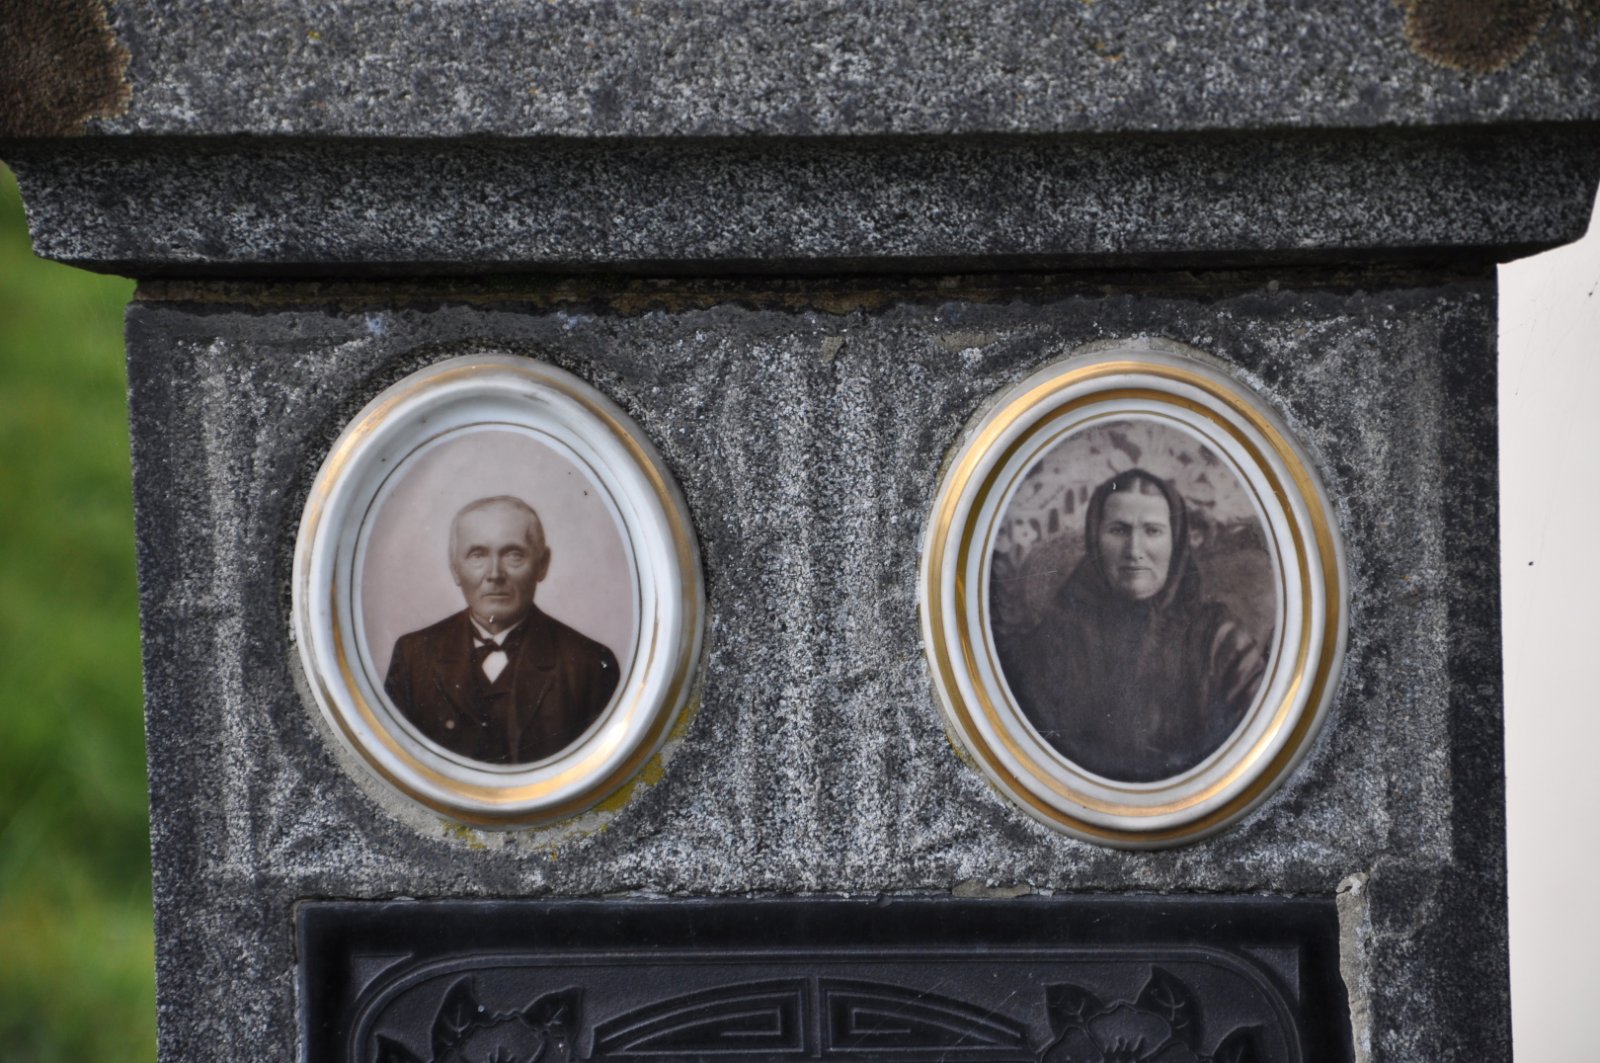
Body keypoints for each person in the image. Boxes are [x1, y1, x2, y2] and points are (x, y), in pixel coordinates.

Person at [996, 468, 1266, 782]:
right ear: (1095, 539)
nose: (1134, 550)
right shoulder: (1054, 640)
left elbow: (1254, 746)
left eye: (1152, 531)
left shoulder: (1220, 641)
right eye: (1119, 530)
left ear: (1176, 541)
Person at [384, 495, 619, 764]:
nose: (495, 574)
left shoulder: (590, 665)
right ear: (455, 568)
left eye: (513, 555)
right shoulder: (413, 656)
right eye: (478, 555)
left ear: (542, 564)